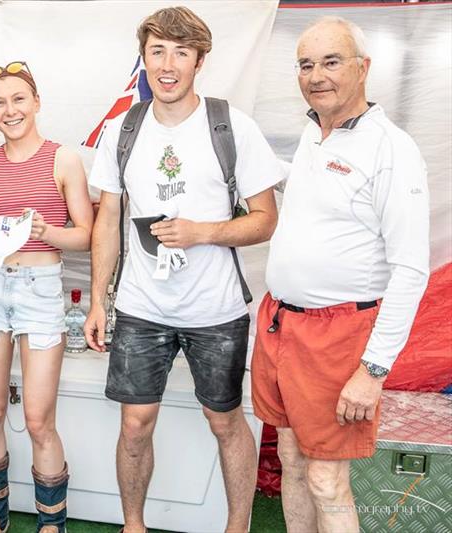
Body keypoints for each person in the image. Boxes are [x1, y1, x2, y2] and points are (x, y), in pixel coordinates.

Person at [84, 7, 284, 533]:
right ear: (144, 57)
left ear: (199, 60)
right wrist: (100, 299)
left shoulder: (231, 125)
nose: (167, 65)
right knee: (134, 424)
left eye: (181, 52)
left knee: (224, 421)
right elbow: (108, 219)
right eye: (157, 51)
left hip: (215, 308)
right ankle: (134, 526)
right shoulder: (122, 129)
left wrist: (204, 231)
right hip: (139, 306)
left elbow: (266, 219)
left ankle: (236, 526)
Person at [252, 16, 430, 532]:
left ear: (363, 68)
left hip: (339, 336)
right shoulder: (315, 132)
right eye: (306, 64)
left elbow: (411, 271)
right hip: (281, 325)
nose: (316, 75)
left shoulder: (392, 150)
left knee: (327, 479)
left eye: (331, 62)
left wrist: (372, 371)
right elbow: (319, 197)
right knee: (291, 457)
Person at [0, 61, 93, 533]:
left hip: (40, 294)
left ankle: (50, 523)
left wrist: (46, 231)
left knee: (39, 419)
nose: (10, 110)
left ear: (36, 102)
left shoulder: (64, 159)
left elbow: (86, 236)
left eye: (19, 99)